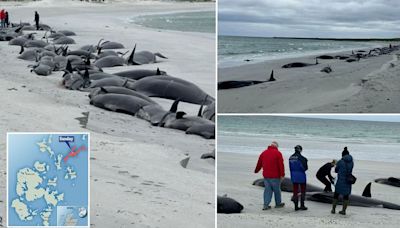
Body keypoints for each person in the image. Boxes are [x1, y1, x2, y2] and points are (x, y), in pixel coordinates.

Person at [254, 141, 285, 210]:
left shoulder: (264, 153)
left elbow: (259, 163)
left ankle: (266, 205)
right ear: (276, 147)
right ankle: (278, 204)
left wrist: (256, 170)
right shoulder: (278, 153)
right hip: (275, 176)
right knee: (277, 190)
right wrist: (282, 174)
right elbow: (281, 165)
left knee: (267, 190)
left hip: (266, 176)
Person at [331, 147, 354, 215]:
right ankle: (343, 211)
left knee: (336, 195)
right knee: (346, 196)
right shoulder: (352, 162)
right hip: (348, 180)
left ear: (342, 155)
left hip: (340, 180)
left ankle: (333, 210)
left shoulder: (340, 161)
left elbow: (336, 170)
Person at [289, 145, 308, 211]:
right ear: (300, 150)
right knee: (302, 191)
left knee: (295, 191)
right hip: (301, 176)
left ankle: (296, 206)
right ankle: (302, 205)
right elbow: (305, 168)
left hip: (293, 176)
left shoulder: (290, 158)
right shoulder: (303, 158)